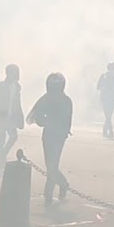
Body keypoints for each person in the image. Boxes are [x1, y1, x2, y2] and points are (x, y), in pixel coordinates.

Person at [26, 72, 73, 206]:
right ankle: (61, 185)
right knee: (51, 165)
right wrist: (48, 122)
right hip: (49, 135)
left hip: (58, 136)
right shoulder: (46, 99)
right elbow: (38, 119)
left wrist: (60, 129)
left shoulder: (65, 100)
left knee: (52, 166)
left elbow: (68, 120)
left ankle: (51, 192)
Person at [0, 64, 23, 172]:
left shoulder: (17, 86)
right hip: (2, 118)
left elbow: (17, 103)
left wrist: (19, 117)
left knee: (13, 136)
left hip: (11, 118)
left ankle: (2, 155)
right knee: (2, 139)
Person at [97, 62, 114, 139]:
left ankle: (106, 131)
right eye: (111, 68)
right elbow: (98, 86)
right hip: (105, 98)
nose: (112, 70)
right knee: (108, 115)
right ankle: (110, 131)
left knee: (109, 116)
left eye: (113, 68)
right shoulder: (103, 76)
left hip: (112, 99)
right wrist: (104, 88)